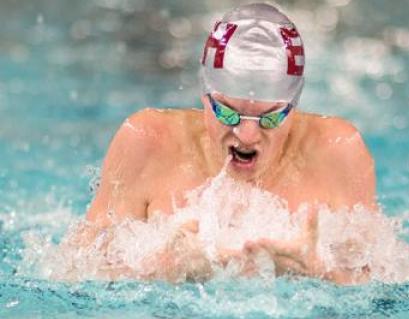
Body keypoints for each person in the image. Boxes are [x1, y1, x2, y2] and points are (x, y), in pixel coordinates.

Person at [83, 3, 377, 284]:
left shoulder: (338, 151)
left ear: (293, 107)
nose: (247, 135)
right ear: (204, 96)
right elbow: (72, 272)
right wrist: (162, 271)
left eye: (270, 117)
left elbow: (392, 286)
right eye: (227, 112)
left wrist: (320, 273)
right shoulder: (146, 142)